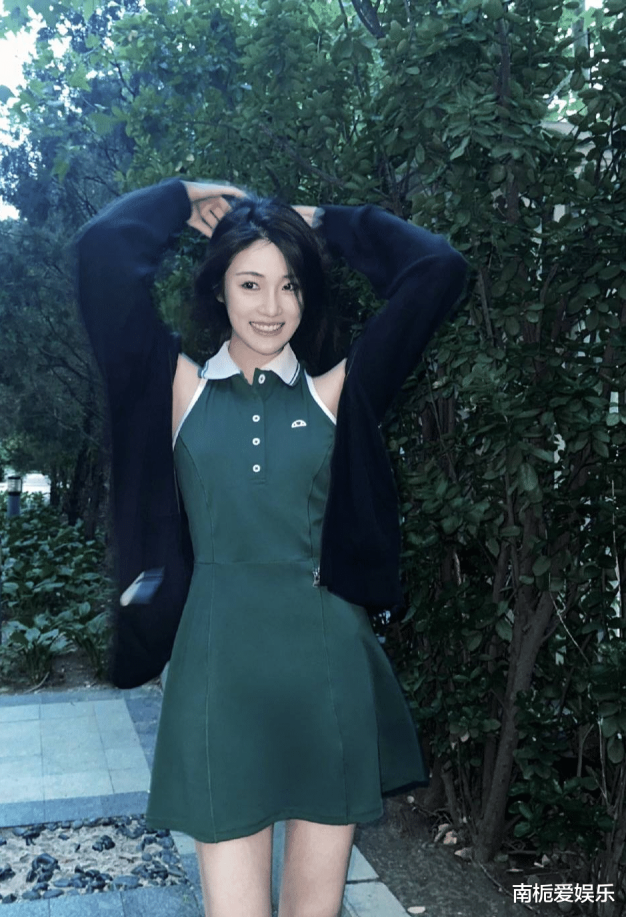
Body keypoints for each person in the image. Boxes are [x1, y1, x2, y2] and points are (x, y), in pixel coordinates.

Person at [76, 178, 468, 917]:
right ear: (218, 289)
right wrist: (179, 198)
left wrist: (324, 221)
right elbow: (101, 254)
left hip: (328, 676)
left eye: (290, 284)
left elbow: (438, 270)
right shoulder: (181, 390)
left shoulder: (336, 395)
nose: (271, 305)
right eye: (250, 282)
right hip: (218, 681)